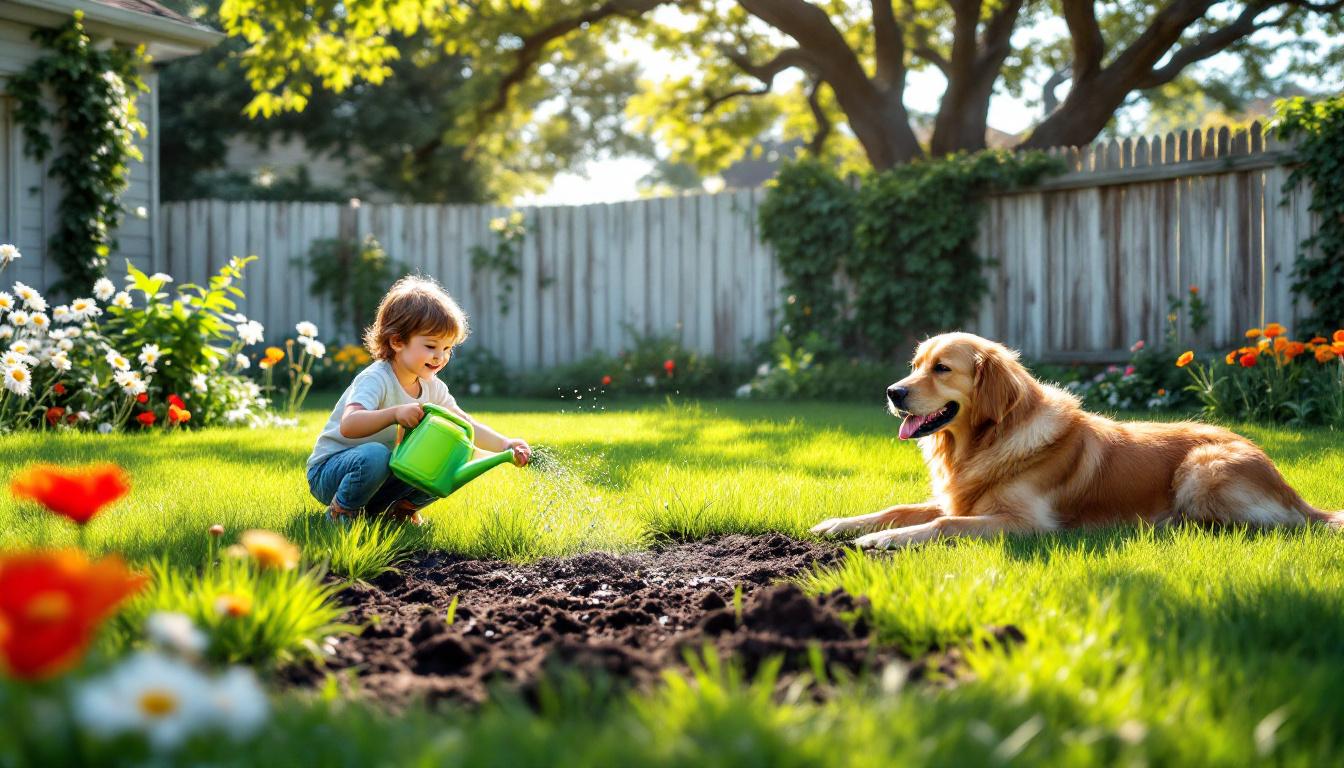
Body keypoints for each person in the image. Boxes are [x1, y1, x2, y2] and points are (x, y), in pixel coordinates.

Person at [306, 275, 530, 524]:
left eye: (447, 349)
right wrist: (394, 414)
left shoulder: (433, 387)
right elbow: (349, 425)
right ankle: (342, 512)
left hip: (378, 477)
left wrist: (506, 445)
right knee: (376, 454)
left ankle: (398, 510)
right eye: (431, 346)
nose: (440, 357)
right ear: (397, 341)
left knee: (445, 458)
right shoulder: (376, 378)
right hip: (331, 474)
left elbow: (465, 424)